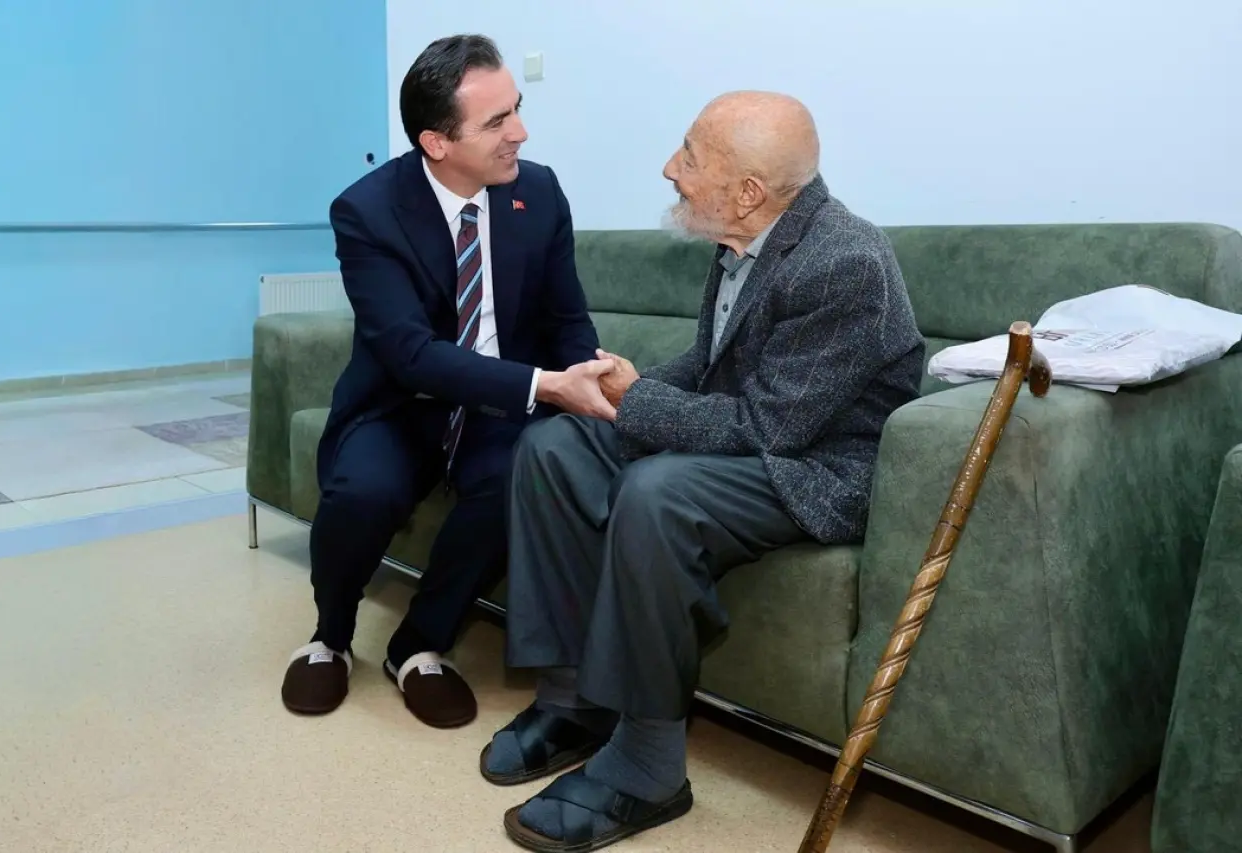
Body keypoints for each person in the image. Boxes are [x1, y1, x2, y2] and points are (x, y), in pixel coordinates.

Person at [478, 91, 926, 850]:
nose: (669, 169)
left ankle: (648, 767)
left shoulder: (843, 262)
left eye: (689, 156)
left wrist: (637, 402)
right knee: (554, 445)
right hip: (764, 440)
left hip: (816, 470)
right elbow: (712, 364)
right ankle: (573, 699)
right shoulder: (742, 237)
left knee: (658, 493)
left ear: (747, 190)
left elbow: (770, 428)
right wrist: (616, 389)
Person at [280, 34, 615, 729]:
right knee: (361, 491)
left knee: (520, 477)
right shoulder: (367, 211)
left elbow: (566, 319)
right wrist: (546, 386)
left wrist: (585, 377)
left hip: (500, 409)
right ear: (436, 142)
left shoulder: (538, 193)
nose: (520, 132)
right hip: (404, 402)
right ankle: (330, 636)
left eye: (516, 109)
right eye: (497, 121)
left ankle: (418, 644)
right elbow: (408, 352)